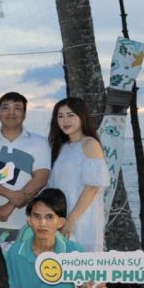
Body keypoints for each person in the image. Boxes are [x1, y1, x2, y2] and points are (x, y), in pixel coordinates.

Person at [0, 92, 51, 244]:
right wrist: (9, 194)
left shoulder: (39, 142)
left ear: (25, 114)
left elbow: (41, 178)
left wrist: (10, 205)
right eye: (5, 108)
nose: (11, 113)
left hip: (27, 222)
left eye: (17, 108)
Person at [49, 98, 110, 252]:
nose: (65, 121)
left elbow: (92, 187)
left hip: (82, 218)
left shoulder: (90, 145)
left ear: (82, 117)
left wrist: (71, 219)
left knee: (81, 261)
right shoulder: (63, 147)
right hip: (60, 217)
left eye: (70, 115)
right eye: (60, 116)